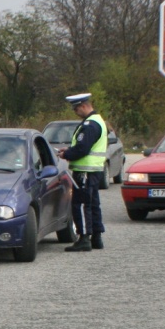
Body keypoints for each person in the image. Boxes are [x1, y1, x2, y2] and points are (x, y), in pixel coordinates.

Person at [58, 93, 109, 251]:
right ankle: (97, 238)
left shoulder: (89, 125)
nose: (75, 112)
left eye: (76, 109)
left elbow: (83, 148)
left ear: (84, 106)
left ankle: (84, 238)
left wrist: (67, 154)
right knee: (93, 204)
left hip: (84, 170)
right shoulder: (98, 121)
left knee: (80, 204)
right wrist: (71, 150)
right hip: (94, 170)